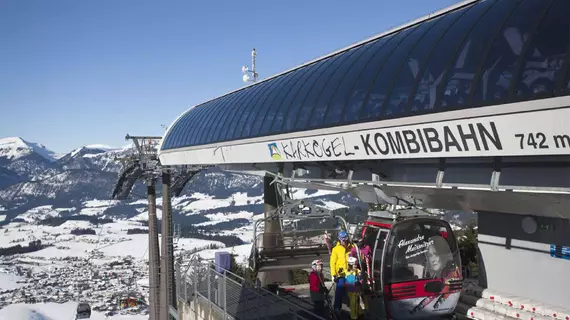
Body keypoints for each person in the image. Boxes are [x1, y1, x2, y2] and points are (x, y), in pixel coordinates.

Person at [330, 230, 353, 313]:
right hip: (341, 274)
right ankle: (337, 307)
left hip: (350, 272)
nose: (344, 241)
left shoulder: (352, 247)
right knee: (339, 289)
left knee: (352, 291)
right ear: (339, 239)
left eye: (345, 239)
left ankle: (354, 308)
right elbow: (332, 262)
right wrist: (333, 274)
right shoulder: (336, 249)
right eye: (342, 240)